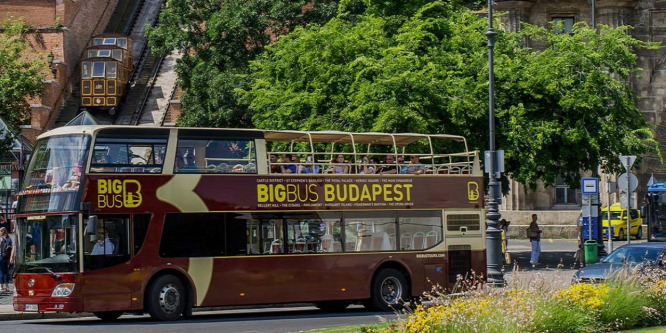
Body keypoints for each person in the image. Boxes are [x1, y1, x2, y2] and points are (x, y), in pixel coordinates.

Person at [0, 227, 12, 291]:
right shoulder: (9, 239)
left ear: (2, 231)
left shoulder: (1, 239)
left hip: (1, 256)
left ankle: (1, 286)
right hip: (7, 257)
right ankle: (7, 287)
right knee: (6, 271)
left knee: (1, 271)